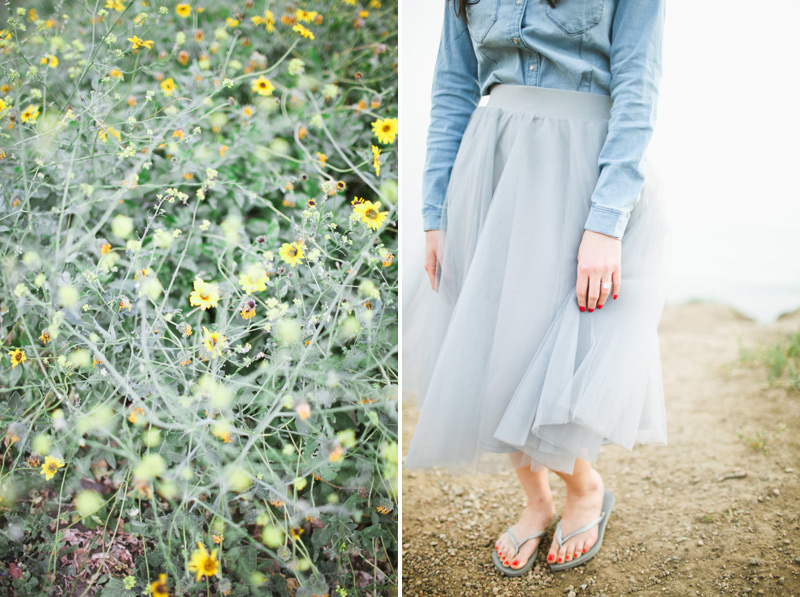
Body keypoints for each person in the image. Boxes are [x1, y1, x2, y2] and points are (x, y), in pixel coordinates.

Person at [402, 0, 669, 577]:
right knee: (490, 337)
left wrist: (606, 222)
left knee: (556, 337)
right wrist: (434, 213)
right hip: (489, 168)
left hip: (579, 169)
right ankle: (536, 500)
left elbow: (637, 91)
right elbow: (452, 90)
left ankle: (584, 489)